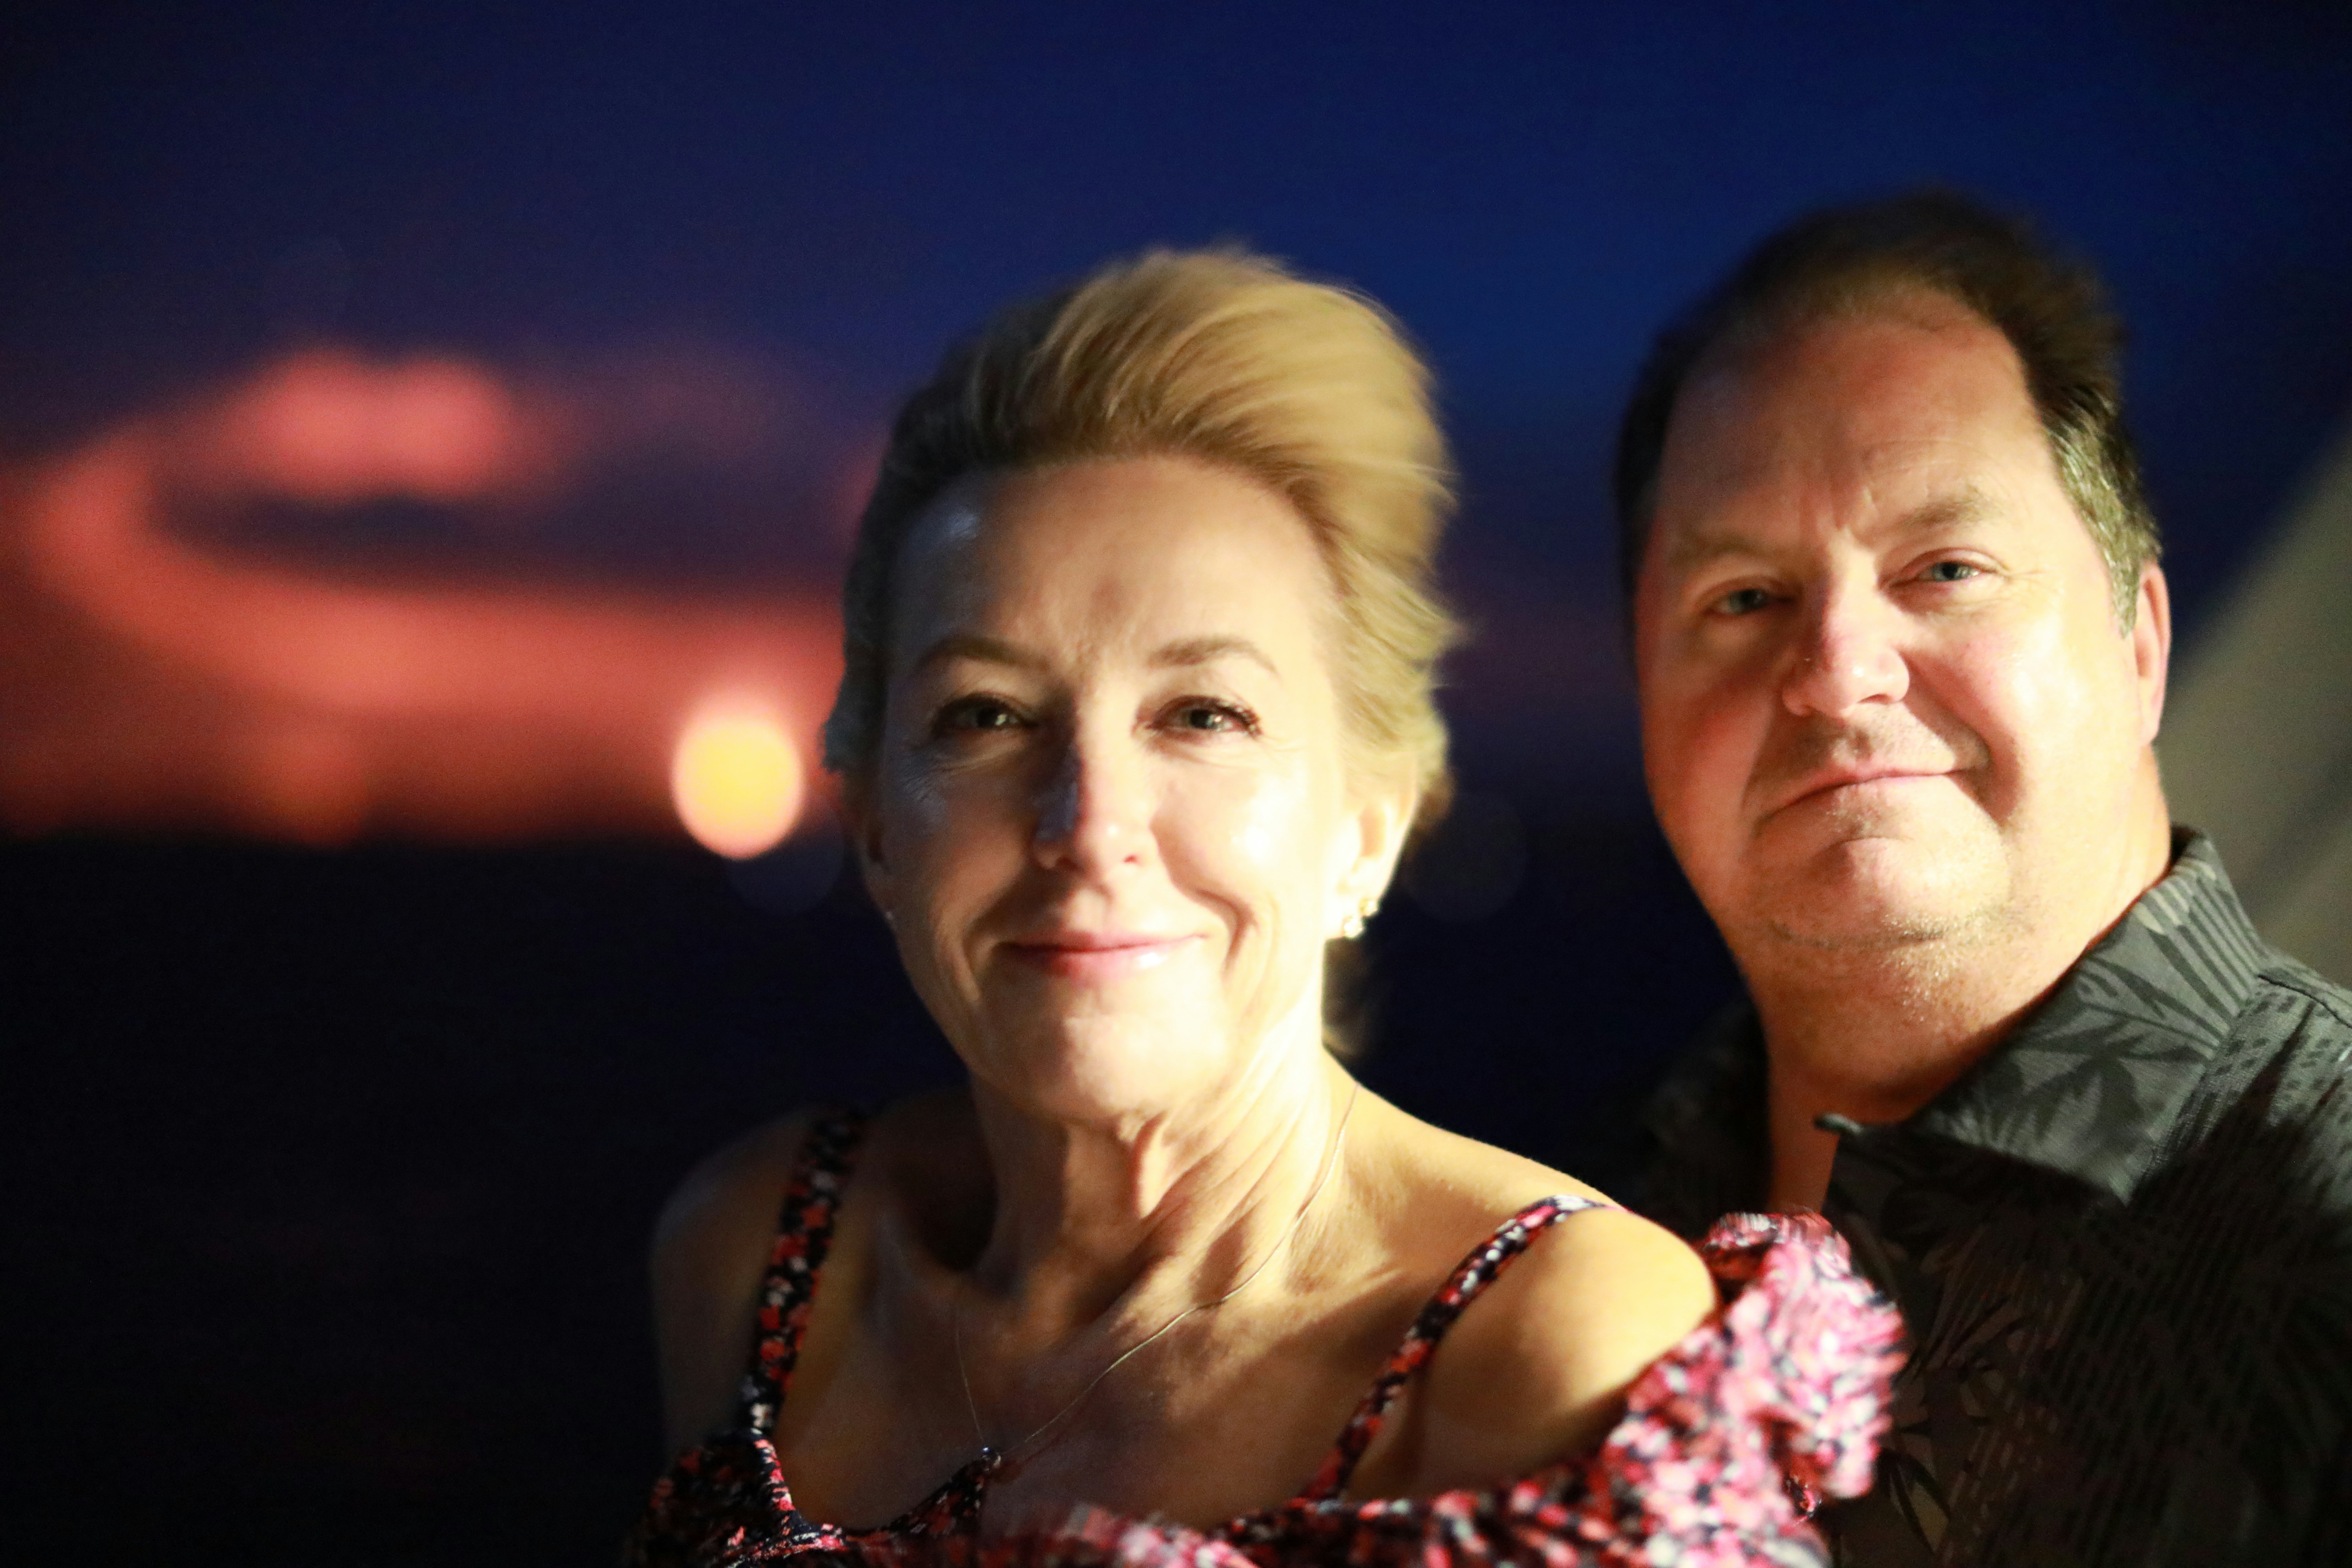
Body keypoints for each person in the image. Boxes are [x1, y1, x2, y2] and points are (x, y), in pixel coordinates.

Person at [628, 250, 1900, 1567]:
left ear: (1366, 826)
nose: (1087, 825)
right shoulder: (767, 1252)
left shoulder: (1556, 1350)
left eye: (1202, 715)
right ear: (879, 824)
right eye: (988, 715)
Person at [1617, 190, 2352, 1566]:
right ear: (1644, 701)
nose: (1836, 671)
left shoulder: (2327, 1234)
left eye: (1946, 569)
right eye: (1744, 599)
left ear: (2139, 644)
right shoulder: (1573, 1226)